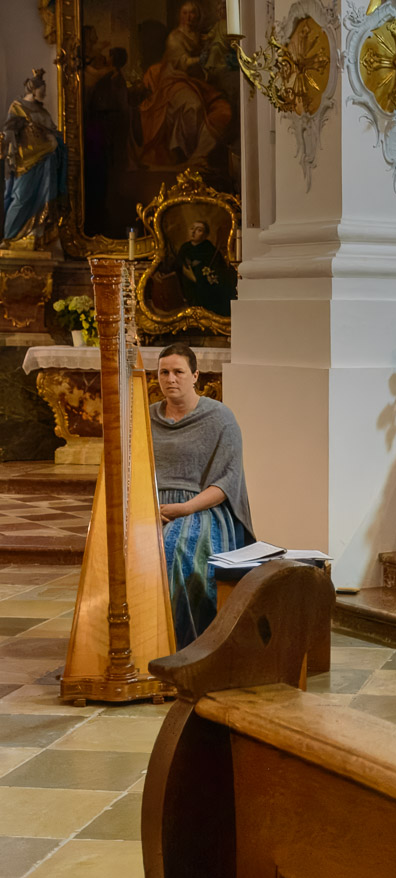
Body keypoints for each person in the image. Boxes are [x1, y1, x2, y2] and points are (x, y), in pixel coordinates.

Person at [151, 343, 253, 649]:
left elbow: (227, 481)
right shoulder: (145, 418)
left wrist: (184, 508)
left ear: (195, 376)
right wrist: (148, 505)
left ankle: (183, 646)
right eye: (164, 372)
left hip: (202, 508)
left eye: (178, 372)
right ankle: (139, 638)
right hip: (152, 504)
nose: (170, 379)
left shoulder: (220, 418)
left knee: (174, 548)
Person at [139, 1, 233, 169]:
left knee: (221, 108)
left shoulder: (199, 36)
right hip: (174, 80)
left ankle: (198, 156)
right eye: (185, 13)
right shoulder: (174, 37)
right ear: (179, 16)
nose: (189, 17)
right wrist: (201, 59)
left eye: (192, 13)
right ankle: (188, 152)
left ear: (198, 16)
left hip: (195, 81)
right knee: (193, 105)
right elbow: (182, 63)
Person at [1, 68, 66, 248]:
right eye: (41, 90)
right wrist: (8, 148)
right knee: (21, 197)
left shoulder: (42, 111)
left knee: (41, 198)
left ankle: (35, 233)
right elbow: (9, 131)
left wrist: (56, 139)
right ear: (33, 89)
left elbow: (52, 130)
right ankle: (9, 237)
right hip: (26, 160)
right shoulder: (18, 107)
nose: (44, 94)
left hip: (46, 159)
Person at [174, 220, 234, 317]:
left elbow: (218, 272)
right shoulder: (185, 248)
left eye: (199, 230)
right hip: (186, 289)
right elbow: (177, 265)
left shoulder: (210, 250)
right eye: (192, 228)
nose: (193, 232)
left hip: (205, 291)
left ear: (205, 235)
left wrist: (196, 277)